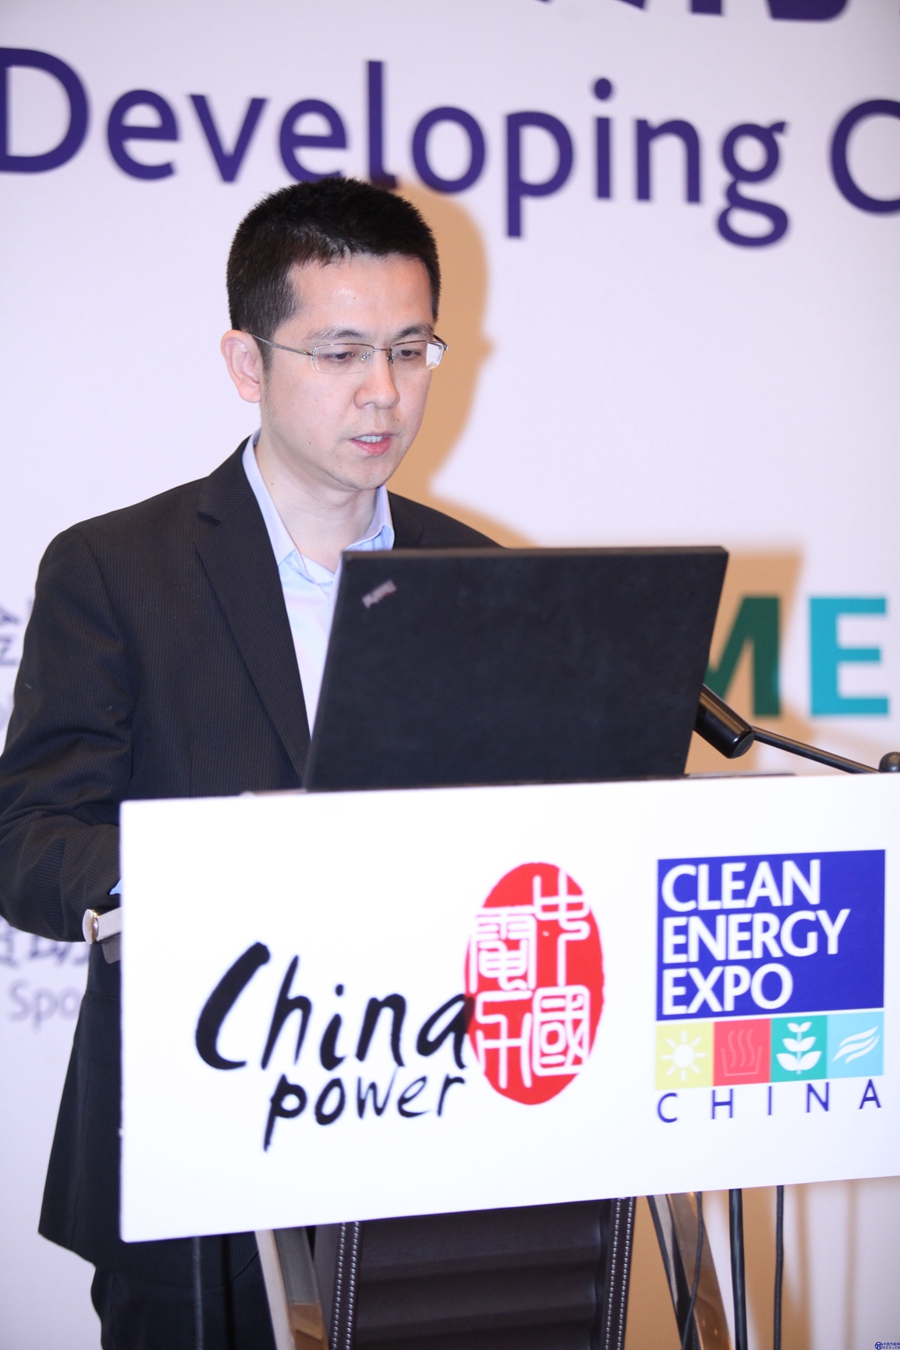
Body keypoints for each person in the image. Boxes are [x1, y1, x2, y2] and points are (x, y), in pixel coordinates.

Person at [0, 177, 496, 1349]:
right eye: (341, 352)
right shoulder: (117, 569)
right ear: (246, 362)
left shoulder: (479, 573)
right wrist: (206, 872)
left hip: (440, 1130)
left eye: (410, 349)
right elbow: (28, 840)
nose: (385, 391)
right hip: (198, 1142)